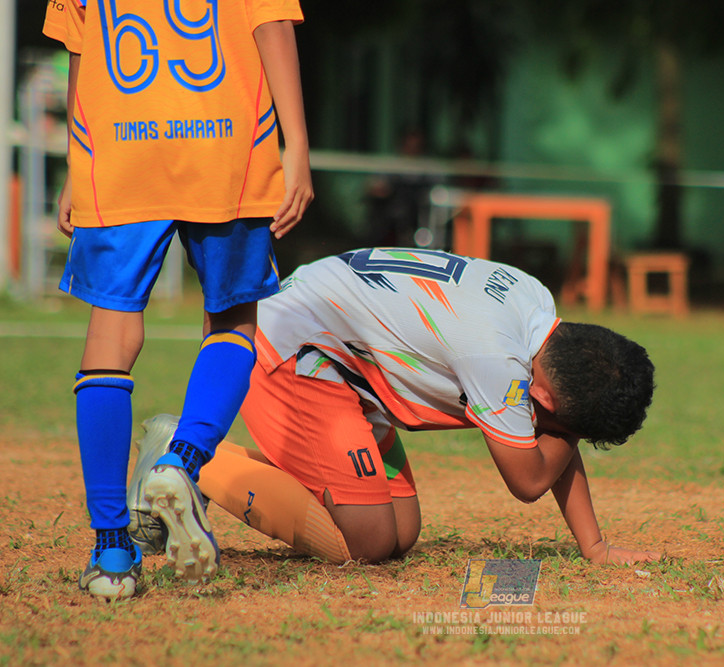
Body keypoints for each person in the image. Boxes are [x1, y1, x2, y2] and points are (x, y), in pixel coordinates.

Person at [128, 248, 660, 566]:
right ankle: (186, 452)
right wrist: (569, 429)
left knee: (402, 533)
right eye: (564, 425)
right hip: (291, 351)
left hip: (346, 363)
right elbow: (529, 479)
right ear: (545, 399)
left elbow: (557, 431)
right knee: (369, 541)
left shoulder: (536, 307)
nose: (556, 432)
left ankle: (200, 455)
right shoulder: (497, 360)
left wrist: (594, 545)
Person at [43, 0, 314, 599]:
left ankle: (112, 554)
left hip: (118, 150)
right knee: (233, 321)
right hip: (226, 143)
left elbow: (81, 48)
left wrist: (76, 164)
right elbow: (270, 22)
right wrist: (296, 144)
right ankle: (181, 463)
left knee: (111, 334)